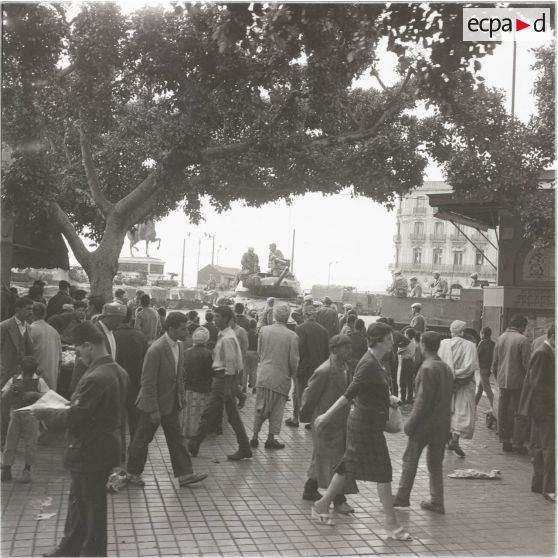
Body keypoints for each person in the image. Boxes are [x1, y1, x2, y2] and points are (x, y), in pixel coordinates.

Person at [37, 321, 130, 557]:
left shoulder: (95, 377)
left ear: (89, 345)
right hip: (104, 447)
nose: (77, 355)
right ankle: (69, 547)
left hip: (89, 450)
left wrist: (43, 411)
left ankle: (93, 553)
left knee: (91, 508)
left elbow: (75, 417)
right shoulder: (119, 371)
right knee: (79, 502)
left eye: (78, 349)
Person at [311, 323, 412, 539]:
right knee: (383, 473)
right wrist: (325, 416)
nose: (392, 342)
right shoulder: (369, 363)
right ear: (379, 340)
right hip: (365, 428)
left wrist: (389, 399)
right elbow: (349, 394)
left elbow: (366, 392)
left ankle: (322, 504)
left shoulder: (375, 362)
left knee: (346, 467)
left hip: (366, 425)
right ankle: (391, 523)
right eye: (389, 338)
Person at [127, 312, 208, 487]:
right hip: (152, 405)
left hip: (171, 404)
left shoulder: (178, 346)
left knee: (177, 439)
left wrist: (180, 396)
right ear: (170, 329)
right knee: (142, 440)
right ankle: (132, 473)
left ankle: (185, 474)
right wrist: (153, 409)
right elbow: (147, 382)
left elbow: (178, 376)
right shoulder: (156, 349)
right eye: (183, 329)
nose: (187, 332)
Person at [393, 331, 454, 514]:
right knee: (435, 465)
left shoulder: (427, 368)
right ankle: (437, 500)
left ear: (423, 345)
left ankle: (402, 497)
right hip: (442, 425)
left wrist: (410, 424)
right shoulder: (445, 368)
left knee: (410, 460)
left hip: (424, 425)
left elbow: (422, 401)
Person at [300, 335, 358, 513]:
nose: (349, 351)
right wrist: (307, 417)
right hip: (326, 422)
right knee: (336, 462)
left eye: (349, 347)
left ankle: (310, 488)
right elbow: (309, 396)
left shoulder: (345, 367)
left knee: (321, 457)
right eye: (345, 348)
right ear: (334, 350)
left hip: (340, 422)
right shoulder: (325, 371)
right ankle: (338, 499)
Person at [188, 306, 252, 461]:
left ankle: (194, 443)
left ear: (226, 319)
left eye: (218, 316)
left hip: (222, 379)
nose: (215, 319)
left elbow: (230, 364)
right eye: (215, 316)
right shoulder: (224, 335)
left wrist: (229, 388)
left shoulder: (228, 338)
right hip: (223, 379)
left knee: (209, 413)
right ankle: (244, 447)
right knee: (232, 416)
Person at [251, 304, 299, 450]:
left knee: (260, 407)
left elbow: (260, 352)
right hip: (281, 377)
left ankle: (254, 436)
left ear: (274, 316)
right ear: (288, 316)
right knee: (277, 410)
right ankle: (271, 438)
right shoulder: (292, 336)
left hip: (263, 375)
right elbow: (293, 361)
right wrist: (292, 374)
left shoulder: (264, 330)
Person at [517, 324, 555, 501]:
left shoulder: (545, 351)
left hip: (541, 407)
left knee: (540, 446)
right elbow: (539, 384)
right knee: (550, 448)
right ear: (554, 336)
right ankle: (549, 489)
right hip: (544, 408)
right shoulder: (543, 353)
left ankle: (538, 484)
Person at [1, 356, 49, 483]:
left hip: (31, 414)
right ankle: (7, 467)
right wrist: (11, 391)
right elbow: (4, 397)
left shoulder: (39, 381)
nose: (26, 377)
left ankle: (27, 469)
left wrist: (35, 395)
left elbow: (48, 396)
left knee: (30, 443)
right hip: (16, 413)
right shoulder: (14, 380)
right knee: (10, 441)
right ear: (21, 370)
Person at [438, 320, 479, 458]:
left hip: (446, 383)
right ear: (462, 332)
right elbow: (470, 368)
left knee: (449, 410)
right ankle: (454, 440)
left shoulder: (443, 344)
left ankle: (448, 439)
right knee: (461, 412)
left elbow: (440, 363)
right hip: (464, 384)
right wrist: (458, 377)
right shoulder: (471, 346)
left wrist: (450, 377)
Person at [492, 314, 531, 453]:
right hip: (519, 383)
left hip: (503, 381)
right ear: (521, 326)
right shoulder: (523, 340)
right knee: (519, 412)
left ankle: (505, 440)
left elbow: (494, 363)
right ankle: (517, 443)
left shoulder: (501, 338)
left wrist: (499, 378)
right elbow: (527, 364)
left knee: (503, 411)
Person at [286, 305, 329, 428]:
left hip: (303, 368)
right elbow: (327, 352)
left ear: (305, 315)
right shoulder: (324, 330)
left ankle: (296, 418)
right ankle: (312, 420)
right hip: (319, 368)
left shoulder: (300, 328)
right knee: (315, 394)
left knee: (297, 392)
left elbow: (299, 349)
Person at [70, 303, 126, 392]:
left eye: (122, 320)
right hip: (92, 386)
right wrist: (77, 388)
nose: (120, 323)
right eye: (118, 320)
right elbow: (81, 361)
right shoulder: (94, 332)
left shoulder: (112, 332)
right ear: (107, 317)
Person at [113, 319, 148, 445]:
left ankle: (120, 448)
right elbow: (146, 361)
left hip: (117, 382)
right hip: (136, 383)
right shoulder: (140, 335)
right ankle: (134, 446)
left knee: (118, 418)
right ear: (131, 319)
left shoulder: (113, 335)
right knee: (135, 419)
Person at [181, 327, 214, 439]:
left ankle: (187, 431)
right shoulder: (209, 354)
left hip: (188, 388)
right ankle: (198, 433)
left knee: (189, 412)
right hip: (203, 389)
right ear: (206, 340)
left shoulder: (186, 352)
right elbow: (211, 372)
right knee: (200, 413)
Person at [0, 296, 34, 389]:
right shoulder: (4, 326)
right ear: (18, 309)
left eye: (32, 309)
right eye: (28, 309)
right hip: (5, 371)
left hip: (21, 372)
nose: (31, 312)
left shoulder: (29, 327)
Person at [28, 302, 62, 390]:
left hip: (35, 375)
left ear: (31, 314)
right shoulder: (54, 331)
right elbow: (60, 357)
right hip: (52, 374)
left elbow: (26, 354)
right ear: (45, 314)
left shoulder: (30, 329)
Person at [475, 327, 496, 411]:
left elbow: (477, 355)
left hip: (483, 368)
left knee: (487, 388)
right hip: (488, 369)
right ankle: (474, 405)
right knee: (480, 388)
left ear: (483, 334)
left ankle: (494, 407)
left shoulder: (482, 343)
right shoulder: (493, 343)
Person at [398, 328, 417, 404]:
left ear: (407, 335)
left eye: (405, 334)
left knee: (402, 381)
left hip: (405, 362)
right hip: (411, 362)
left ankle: (402, 398)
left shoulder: (407, 343)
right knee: (410, 381)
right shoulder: (414, 343)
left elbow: (399, 352)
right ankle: (409, 398)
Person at [245, 319, 259, 391]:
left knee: (245, 371)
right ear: (255, 326)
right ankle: (254, 387)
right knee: (254, 371)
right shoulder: (257, 334)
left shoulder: (246, 333)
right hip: (254, 352)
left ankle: (244, 387)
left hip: (247, 352)